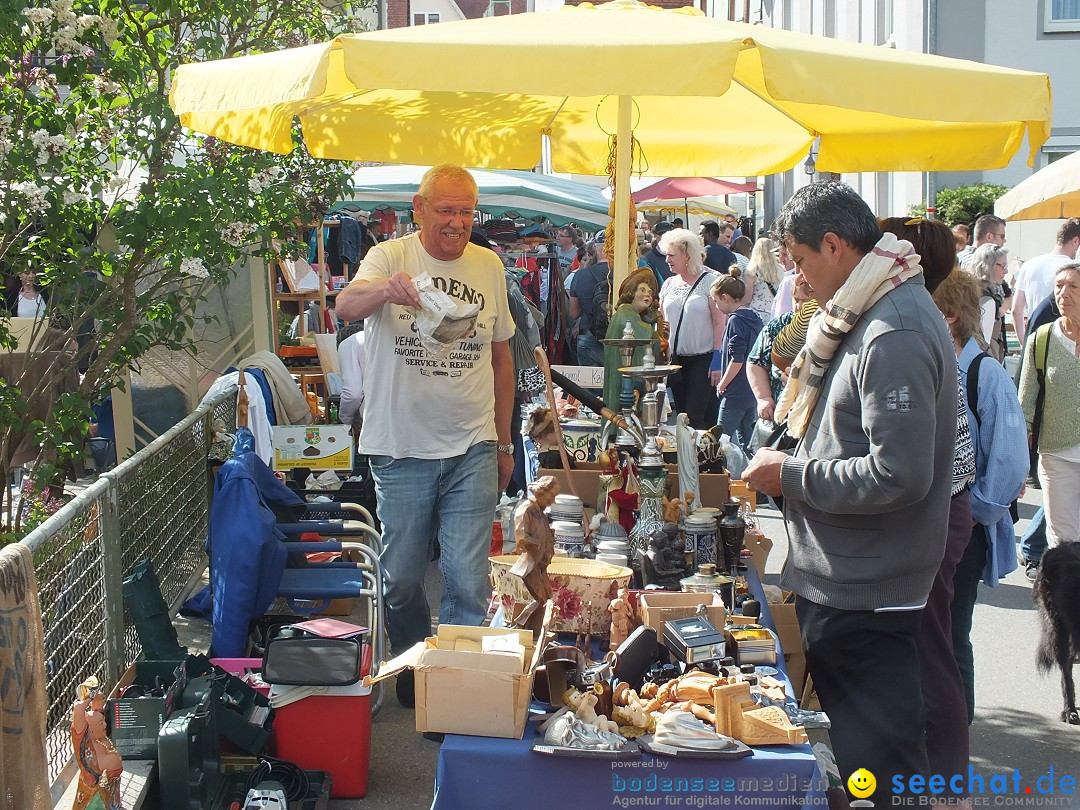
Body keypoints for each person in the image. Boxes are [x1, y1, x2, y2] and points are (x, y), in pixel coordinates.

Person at [743, 181, 957, 792]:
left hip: (868, 589)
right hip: (852, 579)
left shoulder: (894, 329)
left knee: (885, 768)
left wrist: (789, 475)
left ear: (835, 246)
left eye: (802, 261)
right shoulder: (872, 309)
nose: (800, 280)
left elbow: (898, 473)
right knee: (873, 762)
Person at [335, 164, 515, 708]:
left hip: (473, 443)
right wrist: (386, 290)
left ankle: (451, 688)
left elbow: (501, 359)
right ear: (420, 208)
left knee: (467, 579)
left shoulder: (489, 265)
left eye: (466, 211)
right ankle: (417, 667)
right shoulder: (390, 257)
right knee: (401, 579)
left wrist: (505, 443)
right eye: (446, 210)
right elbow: (344, 307)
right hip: (401, 446)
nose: (457, 222)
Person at [879, 215, 978, 783]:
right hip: (940, 505)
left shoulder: (919, 321)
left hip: (939, 508)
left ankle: (946, 781)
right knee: (927, 642)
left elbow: (915, 460)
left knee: (932, 644)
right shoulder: (917, 315)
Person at [931, 270, 1027, 732]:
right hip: (937, 526)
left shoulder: (983, 373)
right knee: (936, 634)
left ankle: (955, 738)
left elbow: (1010, 462)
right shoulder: (940, 367)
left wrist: (972, 515)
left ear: (948, 316)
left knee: (953, 636)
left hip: (965, 528)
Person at [1019, 262, 1080, 550]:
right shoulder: (1041, 339)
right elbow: (1025, 406)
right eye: (1059, 286)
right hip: (1058, 456)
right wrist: (1018, 466)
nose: (1063, 293)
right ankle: (1063, 594)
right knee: (1063, 541)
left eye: (1073, 287)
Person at [658, 228, 724, 430]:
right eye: (666, 254)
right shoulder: (669, 283)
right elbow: (661, 320)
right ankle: (684, 459)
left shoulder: (709, 282)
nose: (667, 259)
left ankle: (699, 459)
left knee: (696, 417)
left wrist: (718, 357)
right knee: (681, 416)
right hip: (675, 360)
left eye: (671, 254)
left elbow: (720, 322)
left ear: (687, 255)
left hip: (702, 360)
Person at [709, 269, 763, 454]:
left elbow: (737, 359)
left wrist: (722, 384)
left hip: (735, 391)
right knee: (748, 442)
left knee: (719, 441)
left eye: (716, 301)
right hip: (750, 390)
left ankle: (719, 479)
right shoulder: (754, 318)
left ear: (725, 298)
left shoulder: (734, 321)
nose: (716, 306)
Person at [602, 268, 661, 418]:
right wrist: (657, 333)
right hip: (624, 380)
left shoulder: (634, 315)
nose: (648, 294)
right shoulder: (625, 312)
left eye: (650, 291)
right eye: (642, 289)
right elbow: (646, 336)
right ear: (631, 293)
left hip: (627, 378)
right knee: (624, 411)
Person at [1010, 218, 1080, 345]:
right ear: (1075, 241)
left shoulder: (1028, 265)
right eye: (1059, 285)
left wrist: (1024, 343)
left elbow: (1016, 310)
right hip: (1066, 339)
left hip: (1035, 339)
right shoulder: (1074, 270)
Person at [567, 235, 610, 367]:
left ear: (595, 249)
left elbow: (573, 313)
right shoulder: (624, 272)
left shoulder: (580, 274)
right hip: (617, 337)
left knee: (588, 385)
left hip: (588, 333)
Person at [964, 243, 1011, 362]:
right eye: (1003, 266)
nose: (1006, 271)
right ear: (989, 266)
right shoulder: (988, 300)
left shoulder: (965, 290)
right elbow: (983, 343)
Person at [741, 237, 782, 324]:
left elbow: (747, 299)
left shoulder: (752, 272)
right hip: (776, 313)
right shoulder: (781, 270)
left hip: (757, 315)